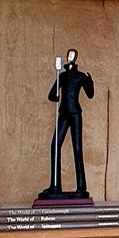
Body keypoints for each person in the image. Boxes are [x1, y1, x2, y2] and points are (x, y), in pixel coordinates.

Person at [39, 48, 95, 201]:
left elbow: (90, 94)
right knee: (55, 146)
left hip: (75, 113)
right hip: (63, 113)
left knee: (77, 148)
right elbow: (52, 95)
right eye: (69, 55)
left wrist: (90, 82)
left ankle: (81, 186)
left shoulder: (80, 77)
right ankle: (55, 185)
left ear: (76, 58)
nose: (70, 57)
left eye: (72, 55)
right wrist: (56, 98)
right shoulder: (62, 76)